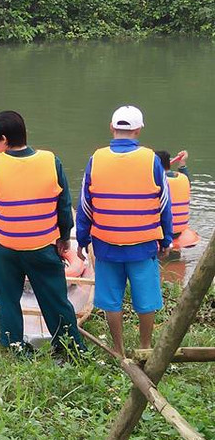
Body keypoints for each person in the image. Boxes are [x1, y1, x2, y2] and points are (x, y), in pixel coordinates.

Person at [0, 111, 85, 354]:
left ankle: (15, 347)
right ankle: (70, 349)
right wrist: (64, 237)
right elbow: (64, 205)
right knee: (56, 299)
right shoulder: (51, 161)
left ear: (4, 139)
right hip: (43, 246)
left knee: (8, 300)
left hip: (6, 248)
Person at [76, 105, 172, 356]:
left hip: (106, 244)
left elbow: (85, 204)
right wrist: (167, 238)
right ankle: (145, 347)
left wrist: (82, 240)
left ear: (111, 128)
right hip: (143, 244)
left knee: (111, 300)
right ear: (138, 130)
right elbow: (164, 203)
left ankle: (118, 350)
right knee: (146, 299)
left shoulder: (96, 159)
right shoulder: (151, 159)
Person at [155, 150, 191, 240]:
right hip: (178, 231)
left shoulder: (155, 181)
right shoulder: (184, 179)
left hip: (161, 232)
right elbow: (184, 174)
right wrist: (182, 162)